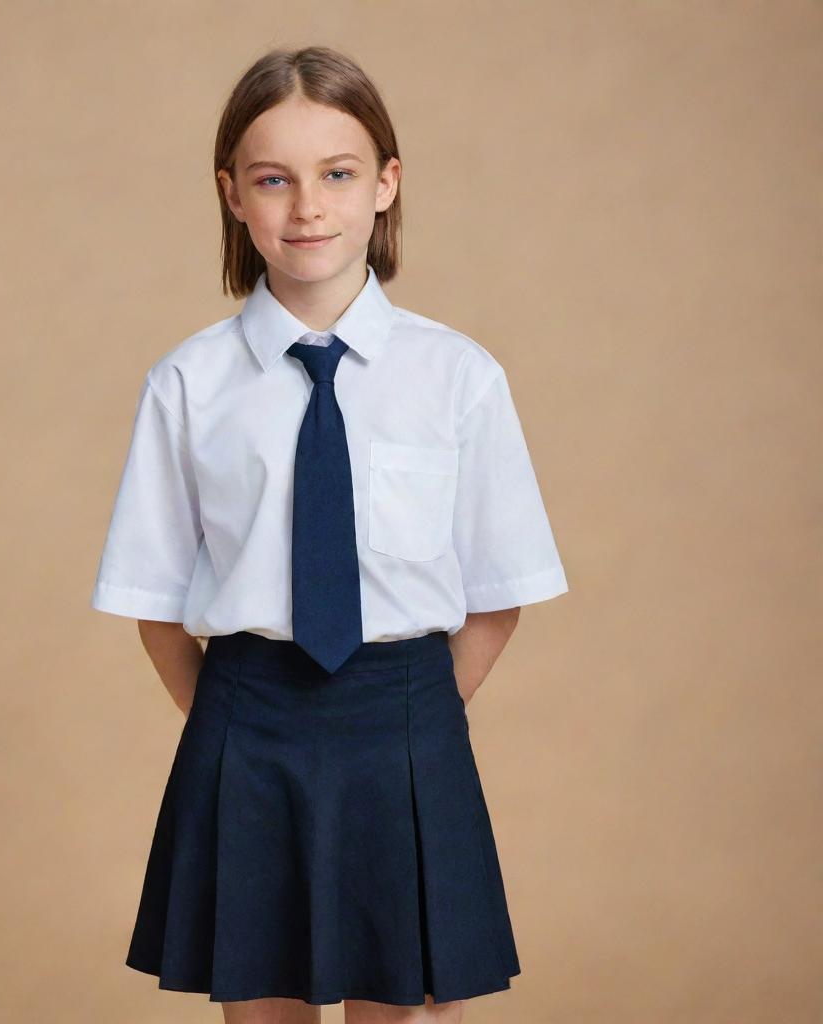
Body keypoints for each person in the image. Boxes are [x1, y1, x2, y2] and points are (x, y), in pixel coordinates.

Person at [90, 45, 569, 1024]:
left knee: (405, 1008)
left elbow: (499, 587)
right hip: (246, 729)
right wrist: (241, 723)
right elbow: (153, 605)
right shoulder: (188, 385)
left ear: (386, 184)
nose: (307, 207)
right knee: (261, 1009)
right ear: (232, 196)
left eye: (338, 173)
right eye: (274, 179)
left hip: (404, 722)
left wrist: (407, 714)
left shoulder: (457, 377)